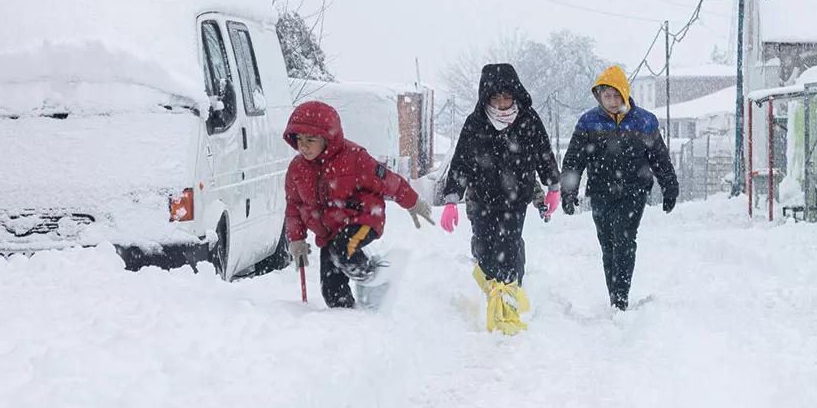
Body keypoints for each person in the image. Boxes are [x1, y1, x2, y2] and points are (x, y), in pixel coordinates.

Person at [439, 64, 560, 332]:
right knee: (484, 250)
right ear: (487, 98)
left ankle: (507, 305)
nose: (503, 104)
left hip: (516, 199)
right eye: (496, 98)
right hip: (482, 199)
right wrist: (451, 199)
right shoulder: (476, 123)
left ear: (515, 95)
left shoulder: (528, 119)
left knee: (508, 246)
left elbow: (543, 153)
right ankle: (492, 293)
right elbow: (461, 163)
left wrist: (553, 186)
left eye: (507, 97)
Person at [283, 100, 434, 308]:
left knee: (344, 249)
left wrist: (413, 202)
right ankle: (348, 320)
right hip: (329, 232)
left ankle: (378, 275)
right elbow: (293, 207)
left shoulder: (354, 158)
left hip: (362, 217)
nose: (303, 146)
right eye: (299, 139)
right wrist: (296, 240)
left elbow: (387, 180)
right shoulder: (297, 169)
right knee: (331, 288)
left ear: (328, 138)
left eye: (310, 139)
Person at [560, 65, 678, 310]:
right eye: (606, 96)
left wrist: (669, 187)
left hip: (634, 191)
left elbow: (659, 157)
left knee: (624, 240)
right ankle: (614, 294)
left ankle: (621, 298)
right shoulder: (588, 122)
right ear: (599, 96)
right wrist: (568, 191)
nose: (612, 102)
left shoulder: (644, 121)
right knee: (607, 244)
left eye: (616, 96)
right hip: (601, 192)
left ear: (624, 94)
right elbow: (574, 159)